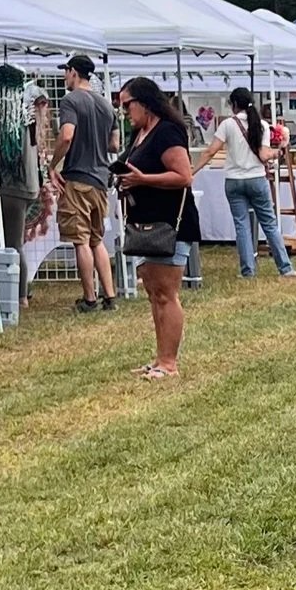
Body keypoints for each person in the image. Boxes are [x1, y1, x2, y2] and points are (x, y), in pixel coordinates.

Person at [114, 76, 196, 378]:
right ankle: (160, 358)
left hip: (170, 223)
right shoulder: (139, 133)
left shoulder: (167, 132)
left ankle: (169, 363)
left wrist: (143, 180)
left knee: (166, 293)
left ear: (145, 102)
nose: (124, 111)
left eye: (127, 105)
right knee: (153, 291)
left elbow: (184, 176)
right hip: (145, 223)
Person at [196, 86, 296, 280]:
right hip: (256, 179)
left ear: (235, 104)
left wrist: (192, 171)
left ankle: (248, 271)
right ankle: (285, 268)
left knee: (241, 225)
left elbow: (210, 152)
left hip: (234, 181)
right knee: (269, 223)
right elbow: (264, 154)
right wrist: (279, 151)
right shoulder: (261, 125)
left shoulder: (227, 124)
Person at [49, 54, 119, 315]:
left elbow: (67, 136)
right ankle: (110, 295)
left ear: (73, 72)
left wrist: (52, 164)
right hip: (100, 180)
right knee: (96, 239)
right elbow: (115, 145)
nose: (64, 77)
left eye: (65, 72)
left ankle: (89, 298)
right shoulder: (106, 105)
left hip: (78, 177)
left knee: (80, 240)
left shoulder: (70, 100)